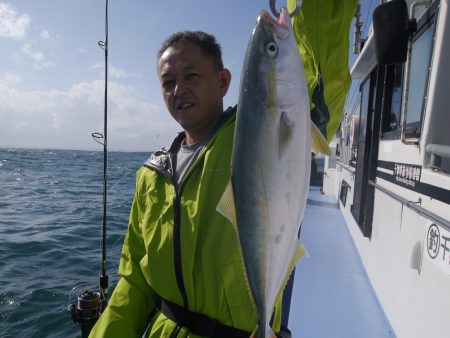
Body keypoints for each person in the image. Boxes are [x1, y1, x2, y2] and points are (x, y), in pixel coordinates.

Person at [89, 31, 291, 338]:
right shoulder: (151, 175)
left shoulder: (259, 136)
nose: (178, 90)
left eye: (191, 75)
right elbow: (136, 281)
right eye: (168, 82)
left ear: (223, 82)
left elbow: (310, 76)